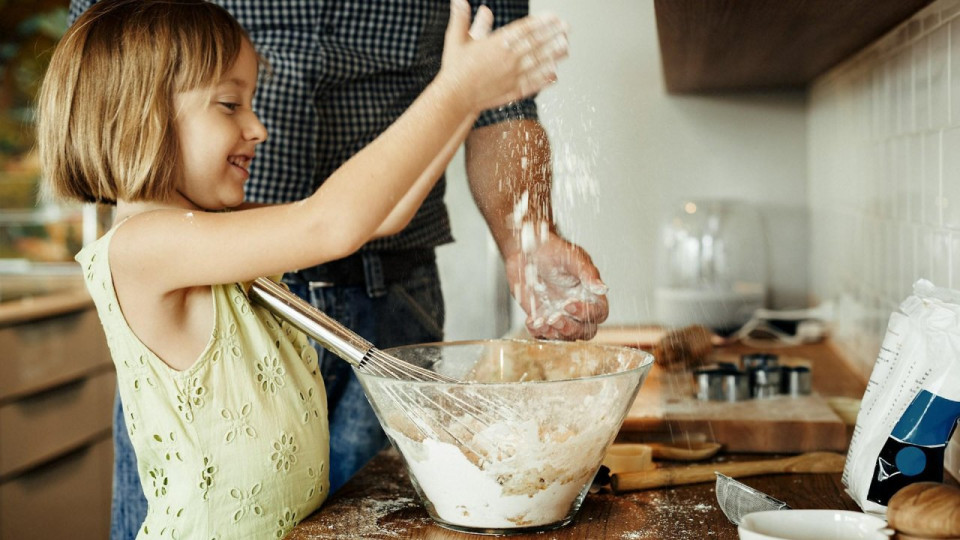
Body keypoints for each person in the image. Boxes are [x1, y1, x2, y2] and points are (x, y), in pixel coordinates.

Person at [67, 0, 607, 537]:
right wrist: (455, 92)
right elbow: (331, 225)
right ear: (139, 114)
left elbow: (388, 213)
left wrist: (469, 102)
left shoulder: (218, 228)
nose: (258, 127)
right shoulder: (144, 246)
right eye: (231, 104)